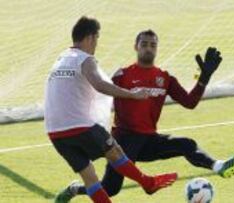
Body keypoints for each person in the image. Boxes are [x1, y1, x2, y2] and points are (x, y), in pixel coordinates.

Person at [58, 29, 234, 201]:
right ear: (136, 47)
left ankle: (219, 166)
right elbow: (100, 97)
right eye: (144, 44)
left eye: (153, 45)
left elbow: (190, 103)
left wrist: (204, 79)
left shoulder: (165, 78)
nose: (148, 48)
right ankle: (75, 189)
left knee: (186, 144)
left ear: (157, 48)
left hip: (149, 141)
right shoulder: (121, 75)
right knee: (110, 189)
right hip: (123, 143)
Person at [46, 17, 177, 203]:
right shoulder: (86, 59)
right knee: (116, 152)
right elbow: (99, 85)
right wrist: (132, 94)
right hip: (80, 126)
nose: (96, 45)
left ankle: (147, 183)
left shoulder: (61, 59)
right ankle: (148, 183)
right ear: (90, 37)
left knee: (91, 180)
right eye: (97, 39)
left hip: (55, 132)